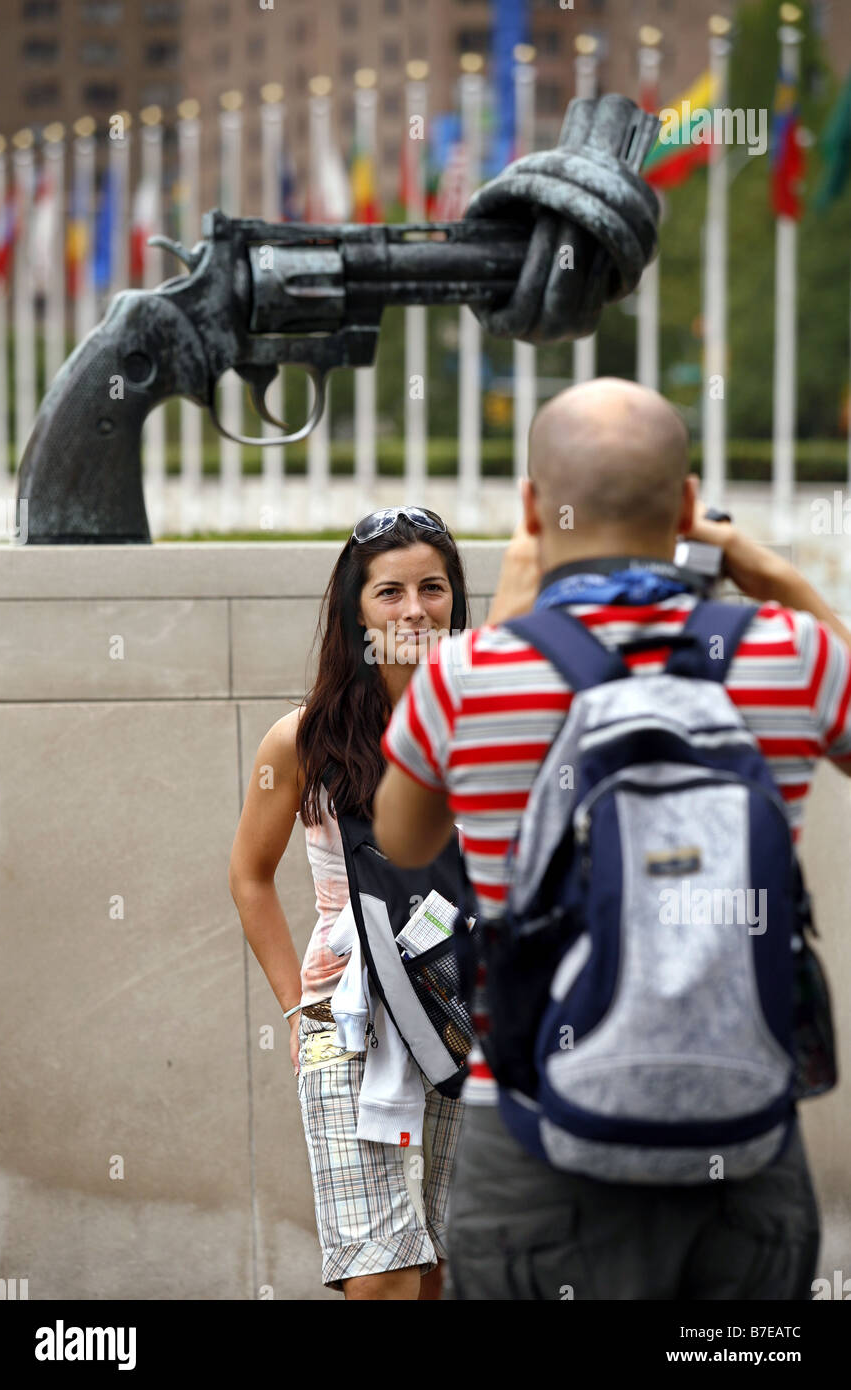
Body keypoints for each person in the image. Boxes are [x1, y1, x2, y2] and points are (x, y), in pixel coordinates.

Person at [372, 378, 851, 1300]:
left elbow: (400, 836)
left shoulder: (472, 674)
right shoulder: (791, 651)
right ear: (685, 505)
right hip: (745, 1154)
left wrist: (507, 622)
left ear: (531, 507)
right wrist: (779, 579)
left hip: (535, 1146)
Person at [228, 506, 475, 1300]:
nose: (414, 610)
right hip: (347, 1019)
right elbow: (249, 872)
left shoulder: (488, 726)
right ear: (354, 611)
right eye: (390, 592)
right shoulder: (301, 742)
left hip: (464, 1012)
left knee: (434, 1264)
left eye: (432, 589)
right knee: (382, 1276)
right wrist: (298, 1007)